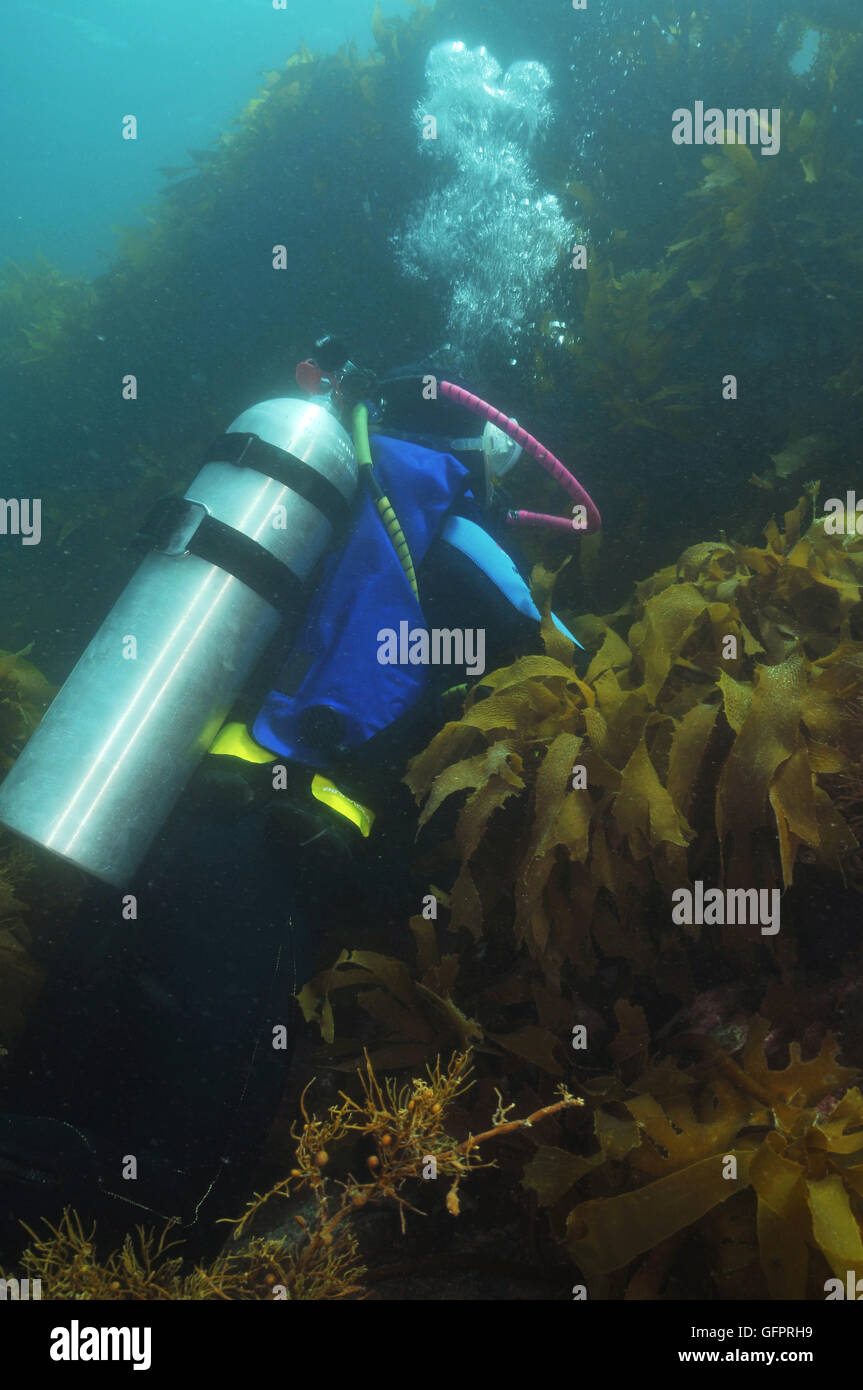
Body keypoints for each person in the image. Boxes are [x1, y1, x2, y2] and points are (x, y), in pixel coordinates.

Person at [0, 338, 595, 1260]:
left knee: (70, 1045)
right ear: (478, 441)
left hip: (163, 800)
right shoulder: (443, 509)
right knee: (190, 1152)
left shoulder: (307, 496)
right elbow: (541, 655)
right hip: (280, 840)